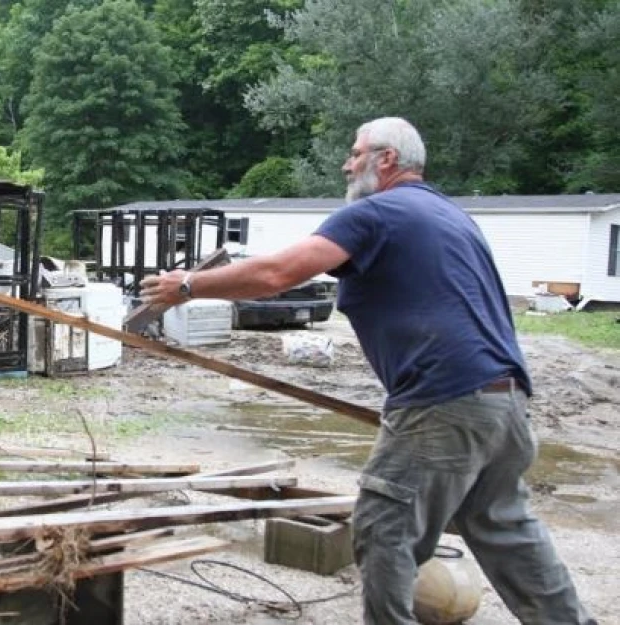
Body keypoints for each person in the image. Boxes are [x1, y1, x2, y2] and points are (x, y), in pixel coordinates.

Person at [139, 117, 596, 624]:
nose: (346, 164)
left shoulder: (376, 213)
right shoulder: (451, 215)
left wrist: (187, 286)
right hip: (504, 401)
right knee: (507, 530)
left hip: (441, 399)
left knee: (384, 528)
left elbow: (277, 274)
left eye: (355, 153)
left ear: (386, 159)